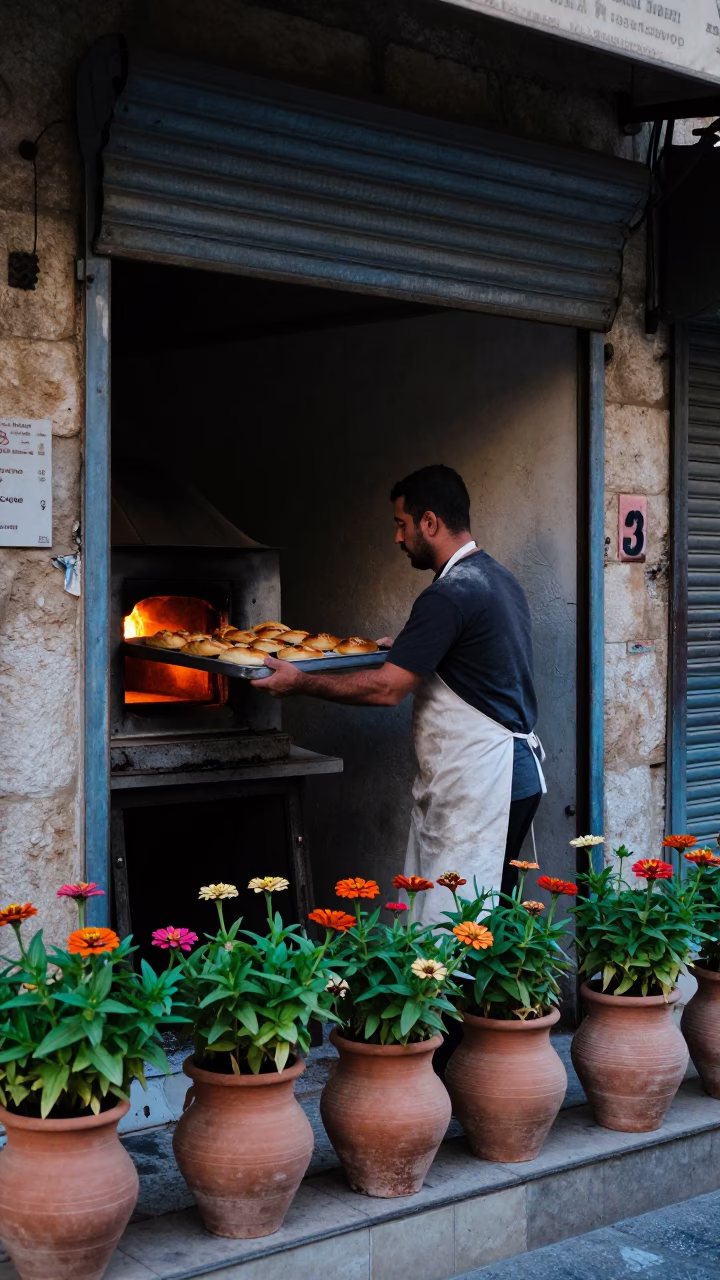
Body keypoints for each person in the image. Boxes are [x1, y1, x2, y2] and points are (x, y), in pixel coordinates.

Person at [255, 464, 545, 909]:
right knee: (488, 921)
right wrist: (414, 647)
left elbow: (388, 689)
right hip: (515, 777)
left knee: (458, 925)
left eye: (401, 524)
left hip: (484, 780)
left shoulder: (448, 594)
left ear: (430, 522)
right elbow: (477, 655)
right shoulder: (495, 577)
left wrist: (301, 682)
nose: (397, 537)